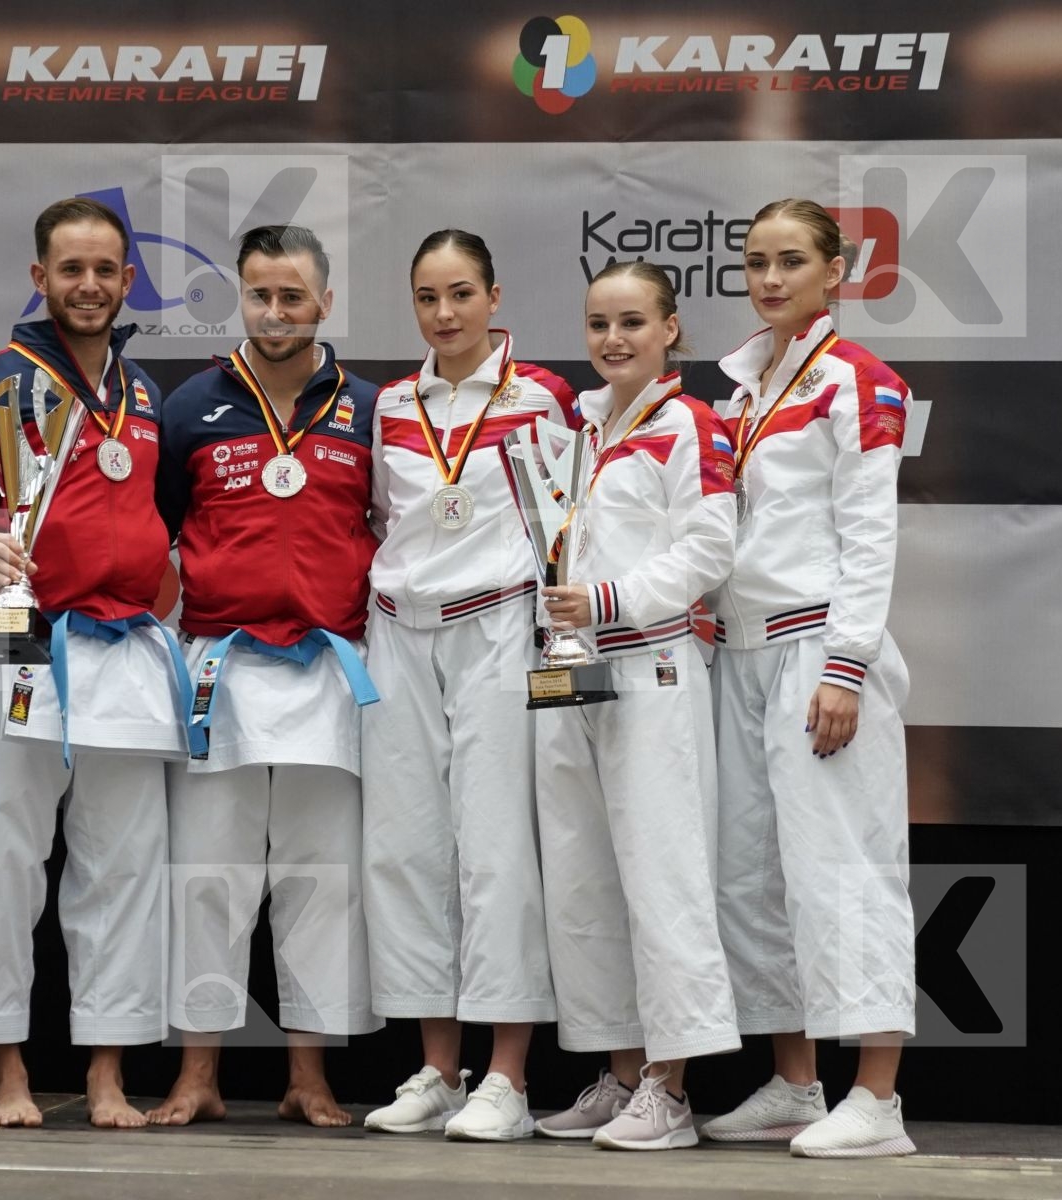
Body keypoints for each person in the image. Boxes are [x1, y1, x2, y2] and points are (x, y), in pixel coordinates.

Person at [0, 197, 188, 1130]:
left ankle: (109, 1075)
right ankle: (6, 1075)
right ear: (40, 279)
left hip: (123, 646)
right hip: (20, 641)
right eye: (70, 270)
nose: (88, 286)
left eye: (105, 270)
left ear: (127, 282)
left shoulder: (148, 393)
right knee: (0, 857)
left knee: (124, 864)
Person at [145, 225, 382, 1128]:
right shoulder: (189, 408)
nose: (274, 312)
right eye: (258, 295)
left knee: (323, 877)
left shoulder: (370, 408)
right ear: (239, 298)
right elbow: (153, 532)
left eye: (292, 296)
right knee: (208, 873)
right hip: (221, 667)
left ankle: (309, 1075)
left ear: (325, 302)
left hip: (330, 667)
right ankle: (198, 1071)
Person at [700, 199, 917, 1158]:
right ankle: (796, 1082)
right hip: (738, 653)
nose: (771, 279)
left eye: (792, 261)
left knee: (849, 870)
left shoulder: (856, 382)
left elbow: (871, 536)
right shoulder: (741, 390)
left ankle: (879, 1099)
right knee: (750, 878)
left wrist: (847, 666)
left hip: (819, 654)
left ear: (837, 271)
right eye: (755, 263)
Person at [360, 230, 577, 1142]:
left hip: (498, 630)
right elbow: (385, 519)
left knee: (496, 851)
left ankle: (508, 1078)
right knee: (406, 852)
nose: (444, 314)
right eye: (426, 297)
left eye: (460, 294)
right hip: (400, 636)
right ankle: (438, 1069)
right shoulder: (391, 404)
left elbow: (571, 525)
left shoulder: (544, 397)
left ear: (494, 296)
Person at [532, 261, 741, 1150]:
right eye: (597, 323)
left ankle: (671, 1088)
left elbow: (712, 548)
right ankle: (621, 1078)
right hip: (568, 674)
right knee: (583, 883)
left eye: (630, 323)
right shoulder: (574, 428)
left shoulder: (691, 423)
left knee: (664, 881)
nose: (612, 339)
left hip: (650, 665)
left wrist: (609, 599)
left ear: (670, 329)